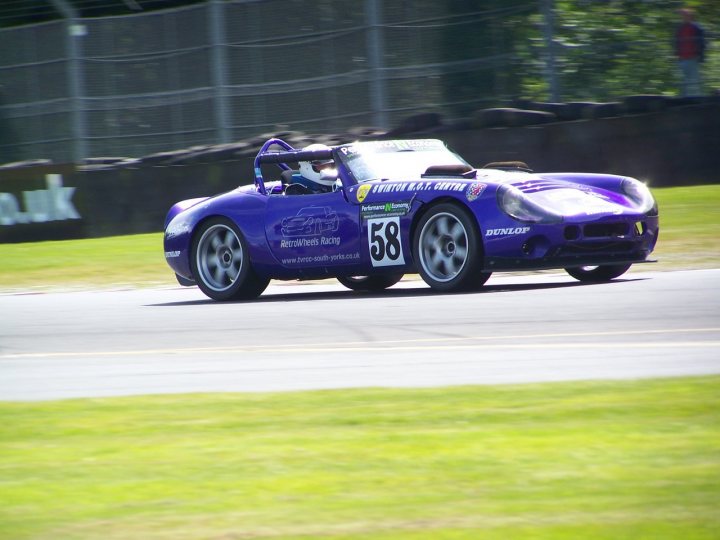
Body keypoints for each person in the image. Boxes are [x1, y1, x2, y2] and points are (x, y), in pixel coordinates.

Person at [674, 8, 706, 97]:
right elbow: (677, 42)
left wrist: (698, 55)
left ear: (690, 16)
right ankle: (684, 100)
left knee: (693, 81)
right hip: (682, 58)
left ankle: (695, 101)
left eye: (684, 15)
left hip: (692, 57)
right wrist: (677, 55)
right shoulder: (680, 28)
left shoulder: (696, 28)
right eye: (681, 15)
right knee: (684, 81)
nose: (682, 17)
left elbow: (701, 42)